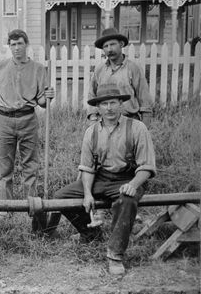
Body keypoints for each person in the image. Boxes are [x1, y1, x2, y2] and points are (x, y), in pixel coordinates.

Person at [53, 83, 156, 275]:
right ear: (98, 108)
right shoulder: (91, 132)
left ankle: (115, 255)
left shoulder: (137, 128)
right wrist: (86, 194)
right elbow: (88, 168)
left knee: (126, 201)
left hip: (128, 177)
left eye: (113, 103)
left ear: (121, 104)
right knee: (61, 197)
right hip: (101, 178)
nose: (109, 108)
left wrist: (133, 185)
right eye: (104, 104)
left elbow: (147, 167)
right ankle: (91, 233)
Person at [0, 29, 54, 218]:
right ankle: (6, 208)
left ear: (26, 45)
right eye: (13, 44)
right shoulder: (0, 66)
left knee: (30, 166)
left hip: (28, 119)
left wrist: (49, 96)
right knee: (5, 167)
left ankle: (31, 208)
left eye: (20, 43)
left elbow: (42, 102)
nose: (17, 48)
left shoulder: (39, 69)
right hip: (5, 120)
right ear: (9, 47)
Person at [88, 28, 153, 127]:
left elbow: (144, 99)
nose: (109, 49)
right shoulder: (100, 70)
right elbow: (92, 95)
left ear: (121, 44)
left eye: (113, 44)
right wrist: (93, 119)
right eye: (106, 46)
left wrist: (145, 126)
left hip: (129, 121)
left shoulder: (133, 68)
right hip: (105, 122)